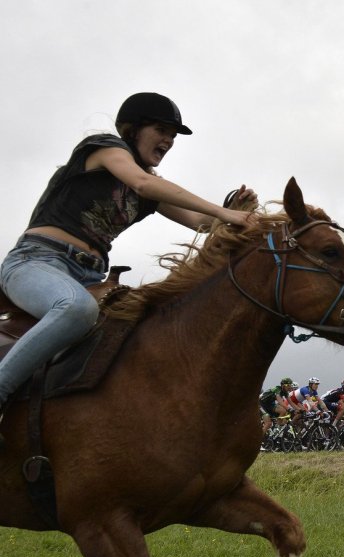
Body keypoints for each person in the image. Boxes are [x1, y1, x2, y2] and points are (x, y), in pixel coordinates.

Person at [0, 93, 257, 431]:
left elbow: (201, 224)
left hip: (92, 278)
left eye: (173, 135)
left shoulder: (150, 192)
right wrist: (223, 212)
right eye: (161, 129)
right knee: (75, 310)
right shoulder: (103, 148)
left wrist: (236, 210)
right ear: (132, 129)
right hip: (37, 261)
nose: (168, 140)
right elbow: (142, 181)